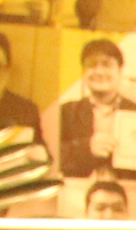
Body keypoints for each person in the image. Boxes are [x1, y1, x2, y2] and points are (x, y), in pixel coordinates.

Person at [54, 36, 131, 178]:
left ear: (120, 71)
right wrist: (86, 148)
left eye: (107, 64)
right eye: (91, 65)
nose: (99, 72)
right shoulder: (66, 112)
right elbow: (50, 156)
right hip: (75, 188)